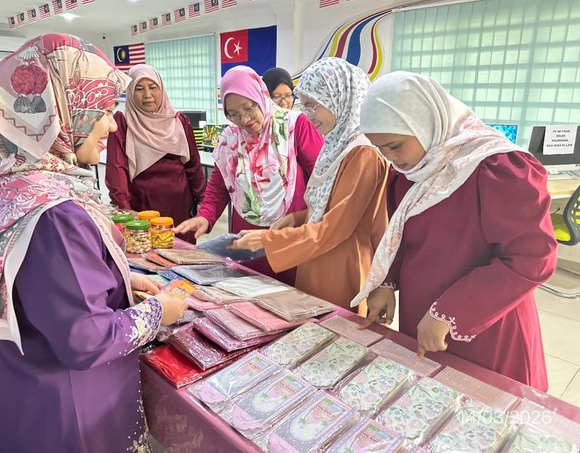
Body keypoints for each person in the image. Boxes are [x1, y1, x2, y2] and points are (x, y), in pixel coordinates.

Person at [0, 34, 186, 452]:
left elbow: (39, 289)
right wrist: (159, 312)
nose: (112, 125)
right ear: (62, 112)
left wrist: (117, 280)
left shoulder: (4, 189)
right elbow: (86, 339)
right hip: (68, 413)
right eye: (103, 111)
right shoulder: (56, 214)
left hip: (19, 398)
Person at [351, 71, 557, 391]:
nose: (390, 158)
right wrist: (386, 283)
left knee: (485, 405)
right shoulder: (413, 169)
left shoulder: (495, 167)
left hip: (484, 320)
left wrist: (450, 313)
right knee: (432, 399)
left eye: (395, 146)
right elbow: (401, 233)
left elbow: (532, 258)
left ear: (425, 123)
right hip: (423, 312)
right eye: (381, 149)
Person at [233, 58, 388, 311]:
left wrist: (269, 240)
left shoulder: (363, 153)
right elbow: (325, 207)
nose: (308, 115)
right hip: (316, 254)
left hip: (340, 264)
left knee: (334, 326)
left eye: (312, 106)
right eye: (304, 106)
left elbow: (336, 227)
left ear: (337, 98)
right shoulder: (335, 145)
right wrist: (296, 219)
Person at [175, 66, 323, 284]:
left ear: (260, 96)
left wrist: (306, 218)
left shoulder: (294, 126)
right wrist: (205, 216)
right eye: (233, 114)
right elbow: (219, 185)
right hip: (246, 234)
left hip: (288, 232)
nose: (244, 119)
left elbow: (322, 180)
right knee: (249, 288)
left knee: (289, 293)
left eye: (248, 108)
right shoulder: (230, 138)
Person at [105, 64, 206, 243]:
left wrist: (202, 200)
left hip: (180, 204)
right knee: (147, 252)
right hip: (141, 206)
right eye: (139, 88)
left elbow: (193, 165)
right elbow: (116, 168)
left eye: (153, 87)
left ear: (162, 88)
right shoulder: (123, 123)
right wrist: (125, 208)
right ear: (130, 92)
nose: (147, 95)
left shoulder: (178, 121)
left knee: (182, 251)